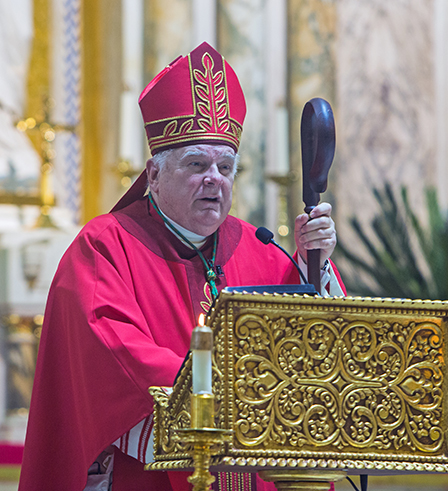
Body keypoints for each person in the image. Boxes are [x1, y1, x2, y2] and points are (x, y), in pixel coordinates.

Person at [19, 42, 345, 491]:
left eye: (225, 167)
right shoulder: (104, 247)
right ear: (153, 175)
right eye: (197, 164)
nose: (214, 178)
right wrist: (224, 401)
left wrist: (317, 268)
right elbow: (109, 353)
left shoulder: (262, 249)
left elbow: (323, 349)